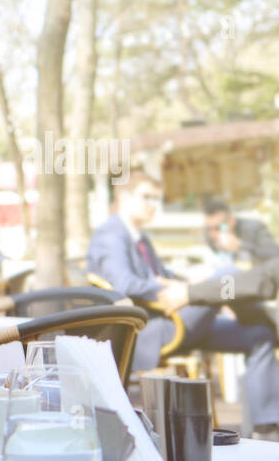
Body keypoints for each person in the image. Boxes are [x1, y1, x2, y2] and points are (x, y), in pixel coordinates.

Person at [87, 173, 279, 440]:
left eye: (157, 198)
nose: (153, 204)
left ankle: (266, 427)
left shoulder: (139, 237)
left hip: (178, 319)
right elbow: (123, 283)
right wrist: (172, 290)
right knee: (228, 273)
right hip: (155, 327)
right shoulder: (111, 234)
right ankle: (274, 322)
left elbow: (164, 275)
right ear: (124, 197)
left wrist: (185, 285)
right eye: (147, 197)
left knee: (259, 335)